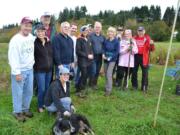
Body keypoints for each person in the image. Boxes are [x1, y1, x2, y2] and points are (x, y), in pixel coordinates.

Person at [8, 17, 35, 122]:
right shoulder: (15, 40)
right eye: (26, 25)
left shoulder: (31, 37)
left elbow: (37, 37)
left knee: (28, 91)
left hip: (30, 69)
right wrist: (17, 72)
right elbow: (13, 58)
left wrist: (44, 38)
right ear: (21, 25)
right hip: (20, 71)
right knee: (18, 92)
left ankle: (25, 109)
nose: (28, 28)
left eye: (29, 26)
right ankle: (17, 111)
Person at [34, 24, 53, 113]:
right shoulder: (34, 42)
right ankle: (40, 105)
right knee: (41, 88)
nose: (40, 33)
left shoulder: (48, 42)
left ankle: (45, 103)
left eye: (42, 31)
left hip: (49, 70)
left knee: (47, 88)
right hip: (39, 70)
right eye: (38, 31)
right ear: (36, 32)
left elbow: (51, 54)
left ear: (45, 32)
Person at [131, 26, 155, 92]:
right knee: (134, 72)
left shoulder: (147, 38)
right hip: (135, 56)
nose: (140, 32)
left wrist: (152, 44)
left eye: (141, 31)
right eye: (139, 31)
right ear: (137, 31)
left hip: (144, 57)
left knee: (145, 73)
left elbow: (152, 49)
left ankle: (144, 87)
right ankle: (134, 86)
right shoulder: (134, 38)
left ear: (144, 31)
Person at [76, 25, 94, 97]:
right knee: (84, 74)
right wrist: (87, 55)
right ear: (81, 31)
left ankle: (82, 86)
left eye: (87, 31)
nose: (85, 32)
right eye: (84, 31)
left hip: (89, 60)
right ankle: (78, 88)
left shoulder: (89, 38)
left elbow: (91, 48)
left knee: (86, 74)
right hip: (82, 60)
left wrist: (92, 54)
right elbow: (78, 51)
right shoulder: (79, 39)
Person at [103, 27, 119, 96]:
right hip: (105, 59)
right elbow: (103, 48)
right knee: (106, 73)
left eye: (112, 32)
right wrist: (103, 54)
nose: (110, 33)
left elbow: (117, 52)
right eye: (109, 32)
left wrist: (110, 57)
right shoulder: (106, 40)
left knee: (109, 74)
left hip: (112, 60)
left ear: (114, 33)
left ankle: (109, 90)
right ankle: (107, 87)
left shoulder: (116, 41)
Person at [89, 21, 105, 89]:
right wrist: (91, 53)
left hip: (100, 56)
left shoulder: (103, 37)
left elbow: (104, 46)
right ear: (94, 28)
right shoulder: (90, 35)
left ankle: (94, 83)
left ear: (101, 28)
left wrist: (103, 53)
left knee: (97, 70)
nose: (97, 28)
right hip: (93, 56)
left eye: (99, 27)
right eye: (96, 27)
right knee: (93, 70)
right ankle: (91, 83)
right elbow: (89, 46)